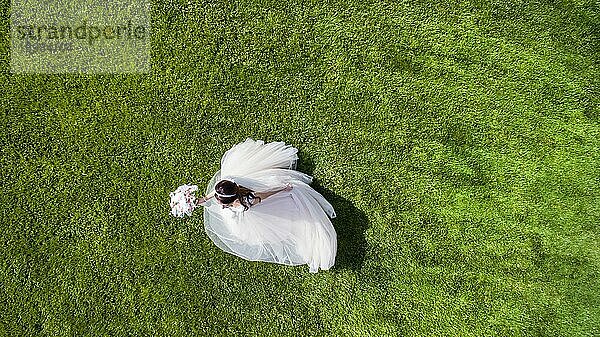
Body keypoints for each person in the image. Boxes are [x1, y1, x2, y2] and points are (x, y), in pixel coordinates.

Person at [195, 138, 337, 273]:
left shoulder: (248, 200)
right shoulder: (227, 185)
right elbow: (215, 193)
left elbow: (266, 194)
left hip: (263, 201)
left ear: (233, 200)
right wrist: (201, 199)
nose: (217, 202)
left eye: (220, 201)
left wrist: (283, 189)